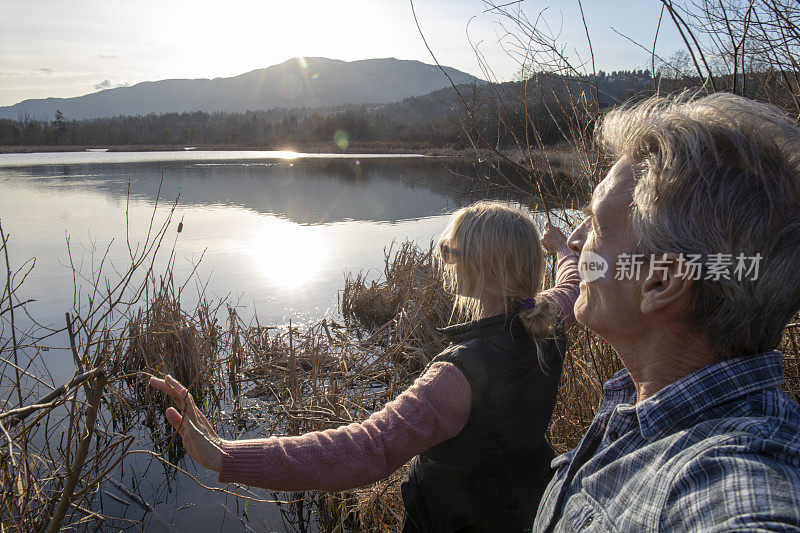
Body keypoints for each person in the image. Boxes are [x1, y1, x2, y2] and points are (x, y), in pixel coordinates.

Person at [150, 200, 580, 531]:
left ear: (477, 266)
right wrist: (562, 248)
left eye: (451, 251)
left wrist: (227, 456)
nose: (445, 260)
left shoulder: (456, 376)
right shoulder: (549, 322)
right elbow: (572, 281)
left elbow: (365, 449)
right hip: (531, 506)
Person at [533, 92, 800, 532]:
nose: (576, 240)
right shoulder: (644, 404)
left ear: (661, 281)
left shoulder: (730, 473)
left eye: (596, 223)